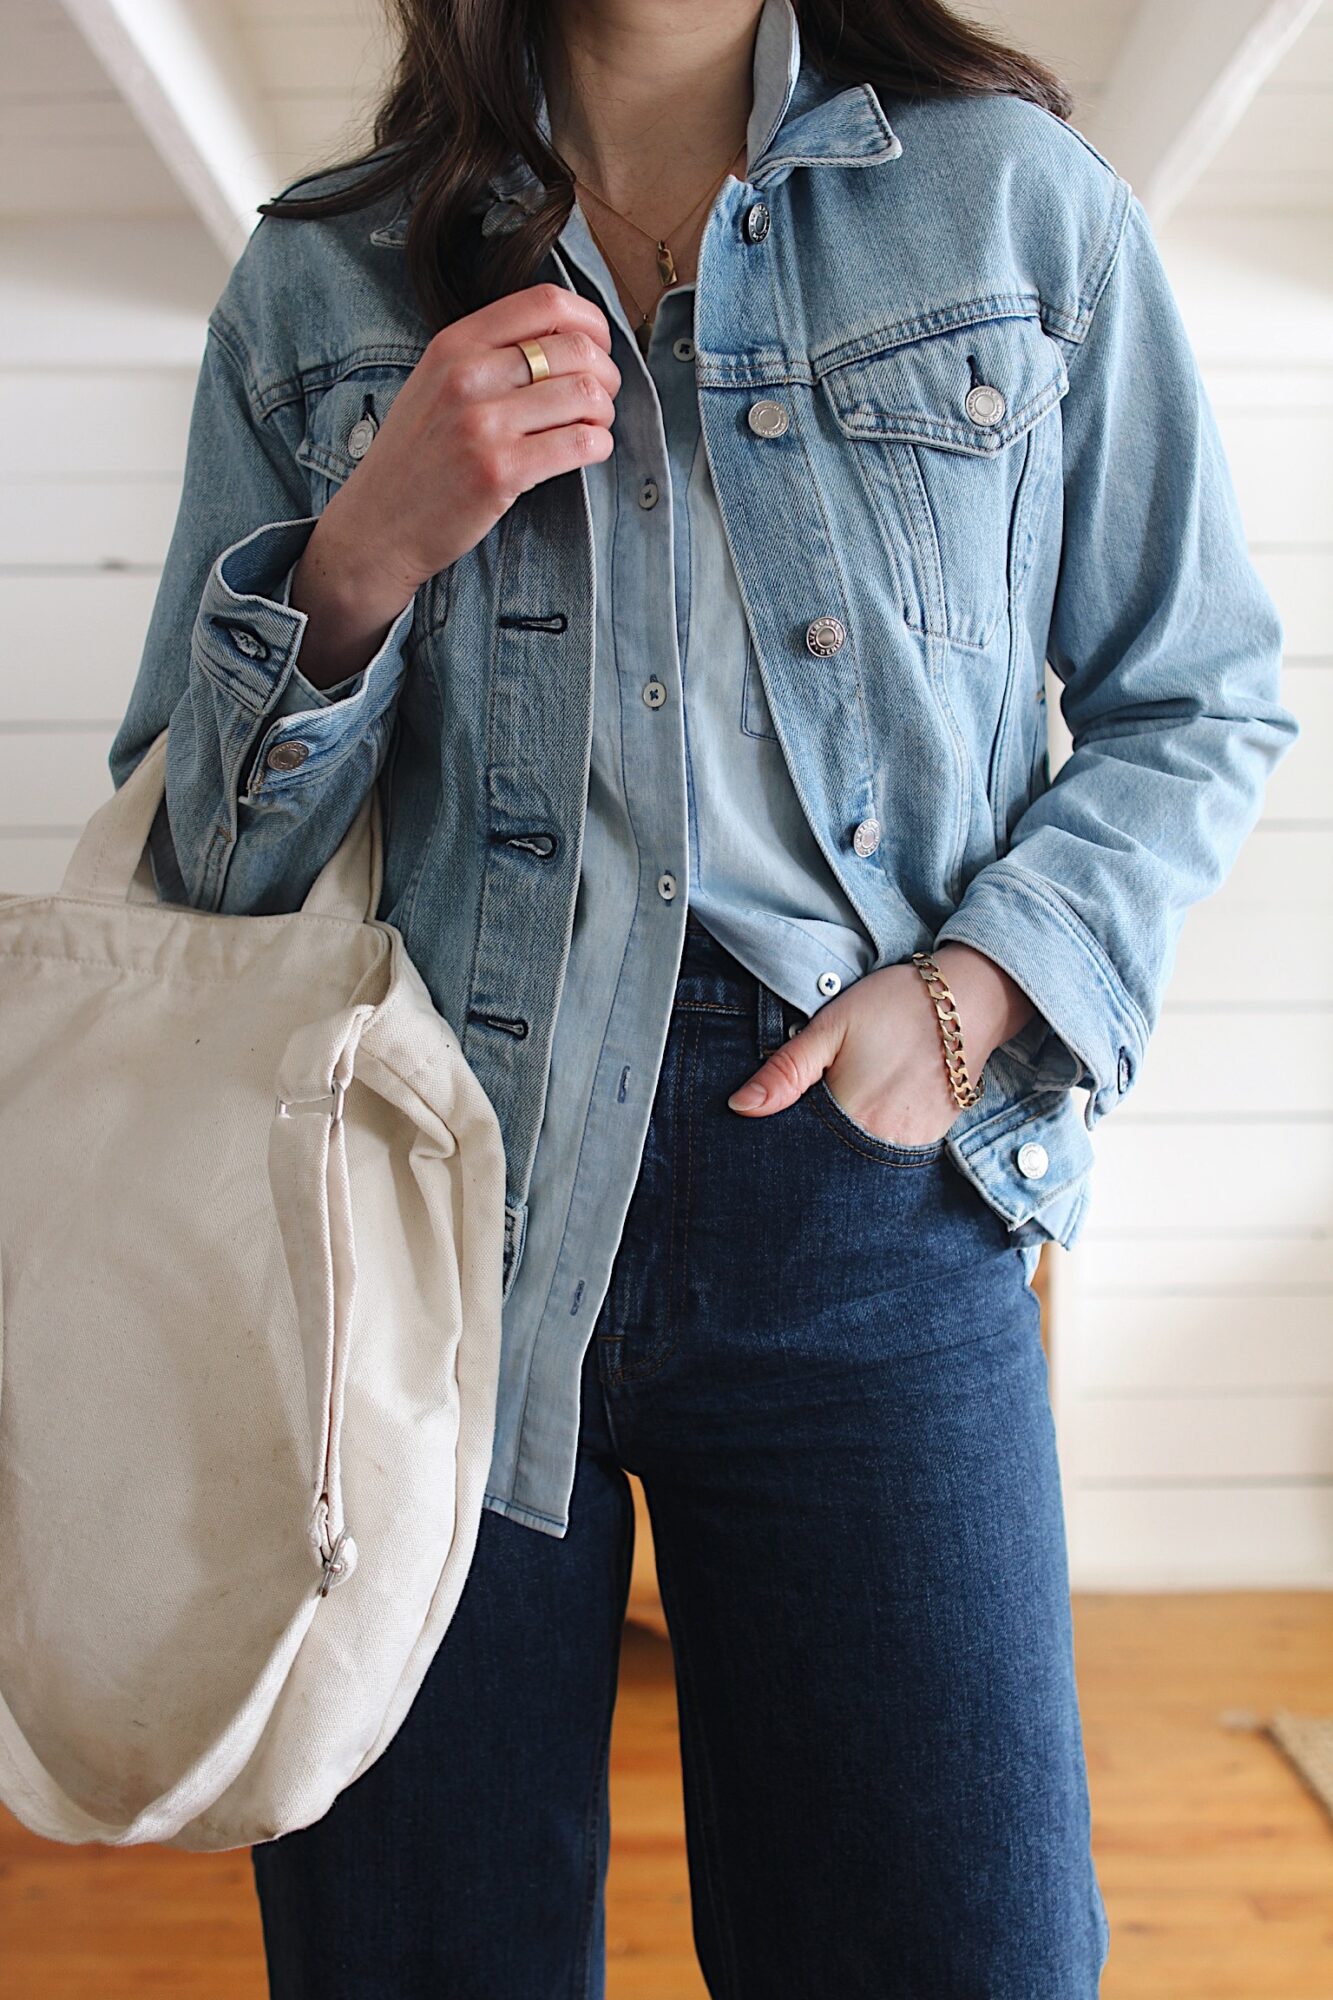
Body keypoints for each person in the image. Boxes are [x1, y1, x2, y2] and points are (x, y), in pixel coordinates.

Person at [108, 0, 1298, 1991]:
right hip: (426, 1227)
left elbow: (1198, 691)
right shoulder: (317, 276)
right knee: (415, 1955)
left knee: (956, 1950)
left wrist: (974, 997)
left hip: (863, 1206)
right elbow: (199, 867)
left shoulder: (1017, 208)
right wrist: (358, 558)